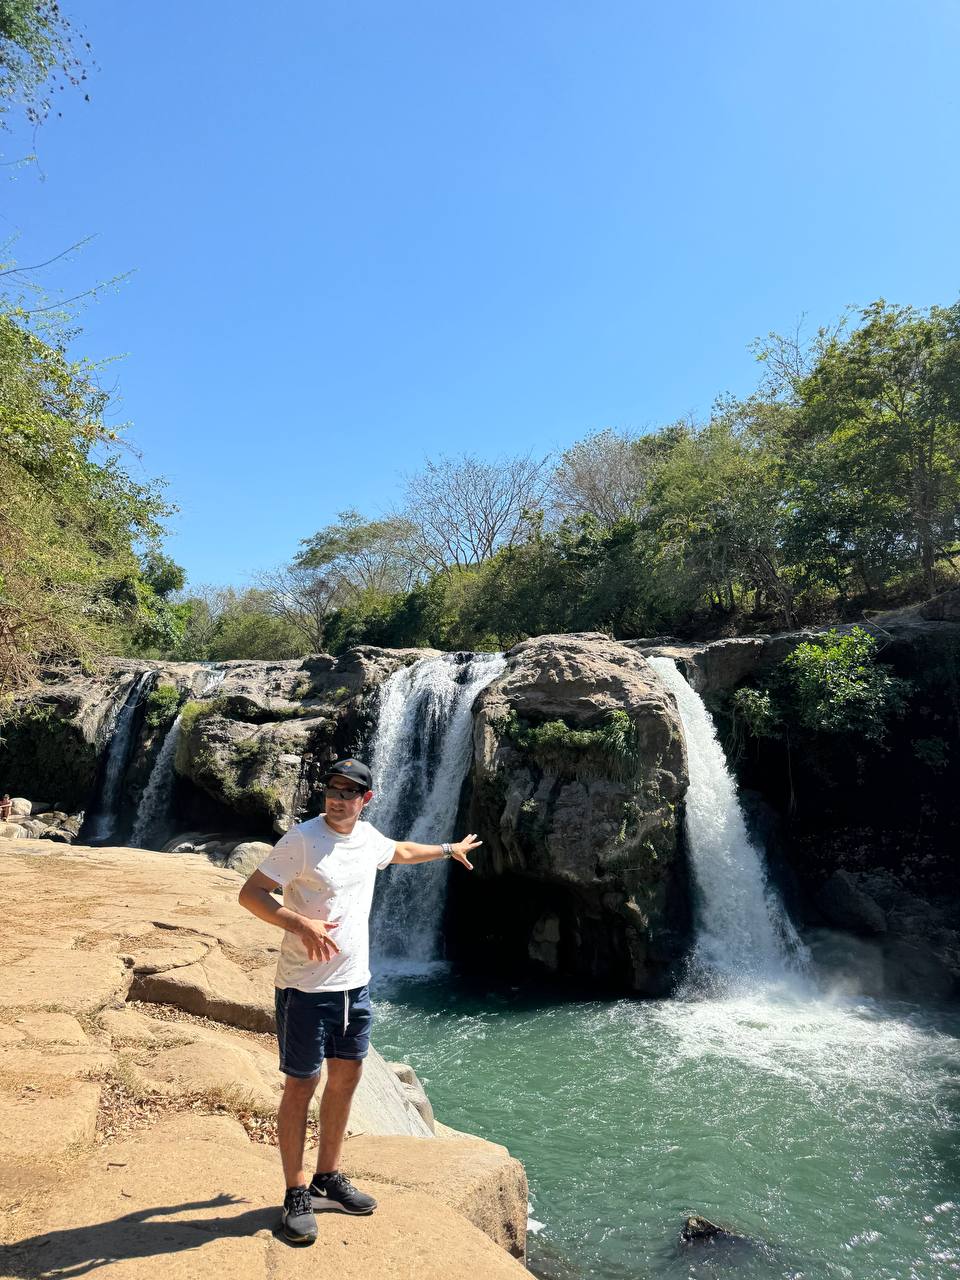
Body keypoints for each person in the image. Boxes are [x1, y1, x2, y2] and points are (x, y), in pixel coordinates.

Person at [238, 756, 481, 1246]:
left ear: (365, 799)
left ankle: (328, 1177)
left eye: (349, 792)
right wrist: (299, 923)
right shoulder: (303, 840)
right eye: (332, 789)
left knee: (345, 1080)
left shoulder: (368, 838)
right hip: (305, 989)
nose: (338, 798)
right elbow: (252, 894)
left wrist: (447, 848)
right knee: (300, 1088)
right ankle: (295, 1192)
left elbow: (399, 852)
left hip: (355, 987)